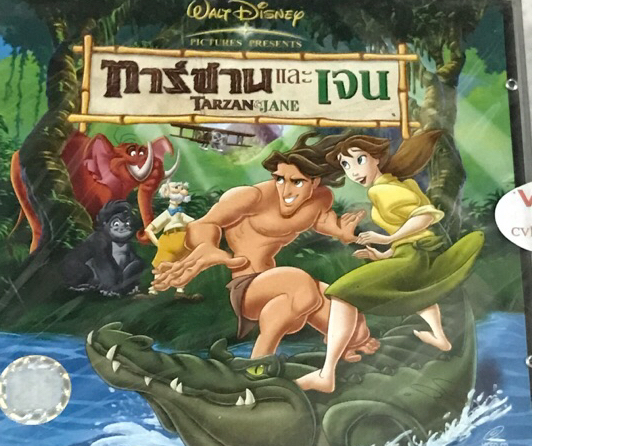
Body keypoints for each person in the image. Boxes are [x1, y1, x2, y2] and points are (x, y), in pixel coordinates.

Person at [150, 134, 379, 359]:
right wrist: (207, 246)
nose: (286, 191)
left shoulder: (320, 198)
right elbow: (204, 224)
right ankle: (259, 359)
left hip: (282, 288)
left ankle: (344, 348)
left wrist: (339, 232)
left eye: (296, 182)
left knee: (351, 321)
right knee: (300, 284)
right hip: (248, 286)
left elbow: (319, 219)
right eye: (280, 179)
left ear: (315, 182)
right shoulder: (252, 197)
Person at [294, 130, 485, 393]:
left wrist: (388, 238)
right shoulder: (397, 183)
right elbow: (413, 231)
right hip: (414, 254)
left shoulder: (382, 190)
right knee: (414, 290)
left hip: (415, 256)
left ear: (376, 158)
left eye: (359, 160)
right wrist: (383, 254)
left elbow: (424, 217)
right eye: (346, 165)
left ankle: (326, 375)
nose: (353, 171)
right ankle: (440, 337)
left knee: (341, 293)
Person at [145, 180, 196, 297]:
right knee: (161, 266)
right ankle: (154, 289)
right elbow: (149, 230)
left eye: (182, 188)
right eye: (177, 187)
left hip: (183, 243)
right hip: (168, 243)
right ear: (167, 192)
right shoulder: (167, 214)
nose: (181, 190)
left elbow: (194, 222)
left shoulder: (180, 214)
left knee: (182, 266)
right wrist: (158, 244)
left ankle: (180, 290)